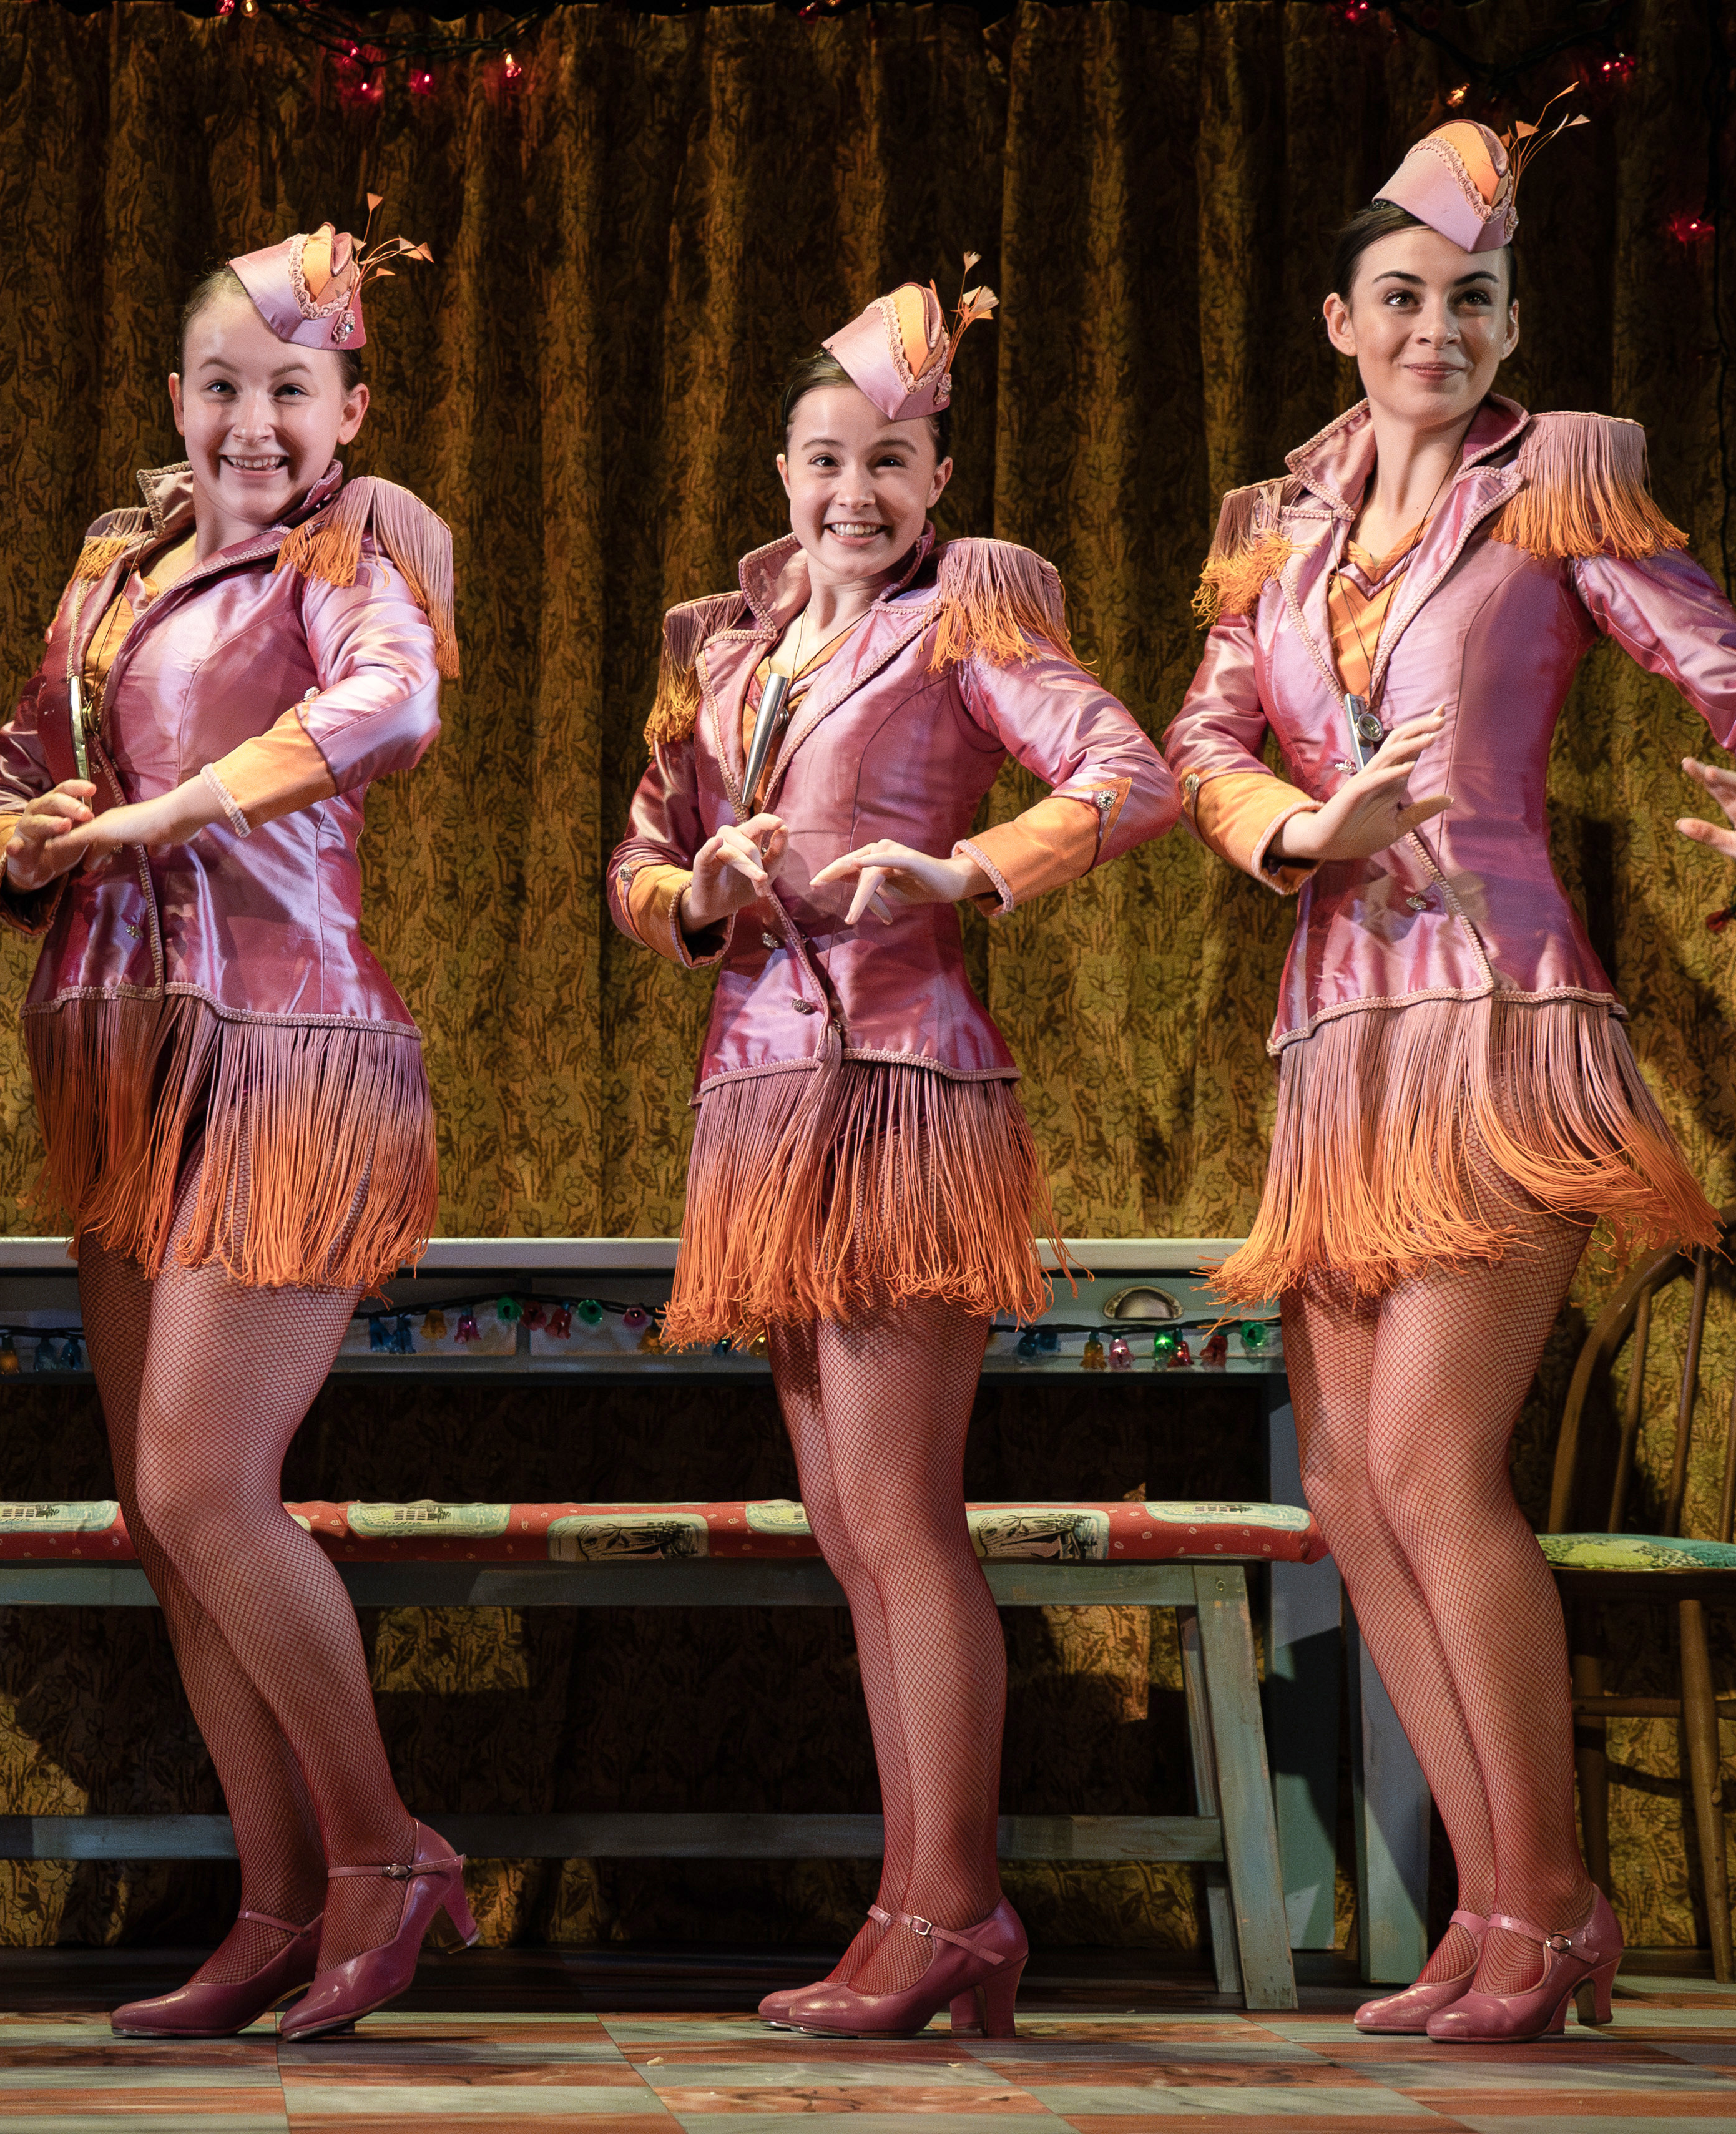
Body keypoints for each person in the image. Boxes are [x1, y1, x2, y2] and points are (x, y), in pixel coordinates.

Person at [1162, 112, 1736, 2043]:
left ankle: (1553, 1907)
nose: (1435, 332)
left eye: (1471, 302)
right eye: (1402, 298)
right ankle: (1490, 1914)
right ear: (1339, 318)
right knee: (1353, 1495)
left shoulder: (1557, 489)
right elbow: (1205, 733)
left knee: (1432, 1465)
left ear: (1508, 321)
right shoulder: (1276, 529)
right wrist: (1302, 826)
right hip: (1335, 1042)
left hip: (1498, 1015)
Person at [606, 272, 1176, 2040]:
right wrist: (690, 892)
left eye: (896, 463)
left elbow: (1130, 774)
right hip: (761, 1098)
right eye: (829, 457)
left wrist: (969, 868)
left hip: (906, 1086)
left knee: (904, 1515)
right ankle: (922, 1905)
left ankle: (951, 1903)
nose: (857, 492)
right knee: (849, 1524)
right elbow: (642, 857)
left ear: (938, 479)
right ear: (780, 465)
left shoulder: (962, 621)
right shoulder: (726, 649)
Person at [0, 215, 465, 2043]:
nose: (254, 423)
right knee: (160, 1523)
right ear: (177, 397)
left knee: (199, 1483)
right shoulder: (113, 568)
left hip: (284, 1050)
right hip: (119, 1068)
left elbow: (389, 699)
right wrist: (26, 833)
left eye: (292, 392)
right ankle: (268, 1905)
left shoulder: (355, 556)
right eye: (224, 388)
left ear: (346, 410)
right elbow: (16, 765)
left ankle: (380, 1850)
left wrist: (165, 811)